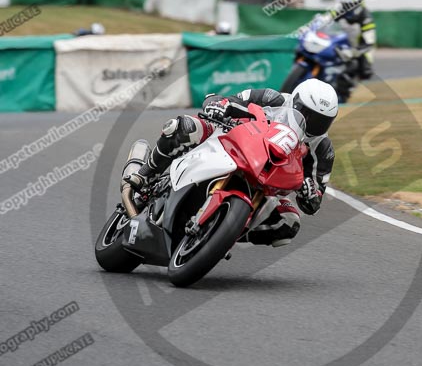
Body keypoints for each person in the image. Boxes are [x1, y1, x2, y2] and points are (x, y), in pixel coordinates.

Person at [125, 79, 338, 247]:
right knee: (181, 127)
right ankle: (145, 174)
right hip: (228, 140)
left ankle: (222, 233)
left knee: (289, 221)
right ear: (296, 101)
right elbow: (232, 99)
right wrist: (221, 105)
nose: (312, 124)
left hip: (266, 184)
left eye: (321, 121)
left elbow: (314, 201)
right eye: (308, 116)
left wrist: (311, 193)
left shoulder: (323, 149)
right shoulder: (272, 98)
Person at [318, 0, 376, 95]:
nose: (348, 7)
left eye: (351, 4)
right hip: (337, 42)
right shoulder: (339, 10)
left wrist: (353, 52)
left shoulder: (366, 18)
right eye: (345, 4)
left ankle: (347, 89)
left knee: (365, 68)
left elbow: (369, 43)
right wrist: (318, 22)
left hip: (357, 48)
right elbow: (325, 19)